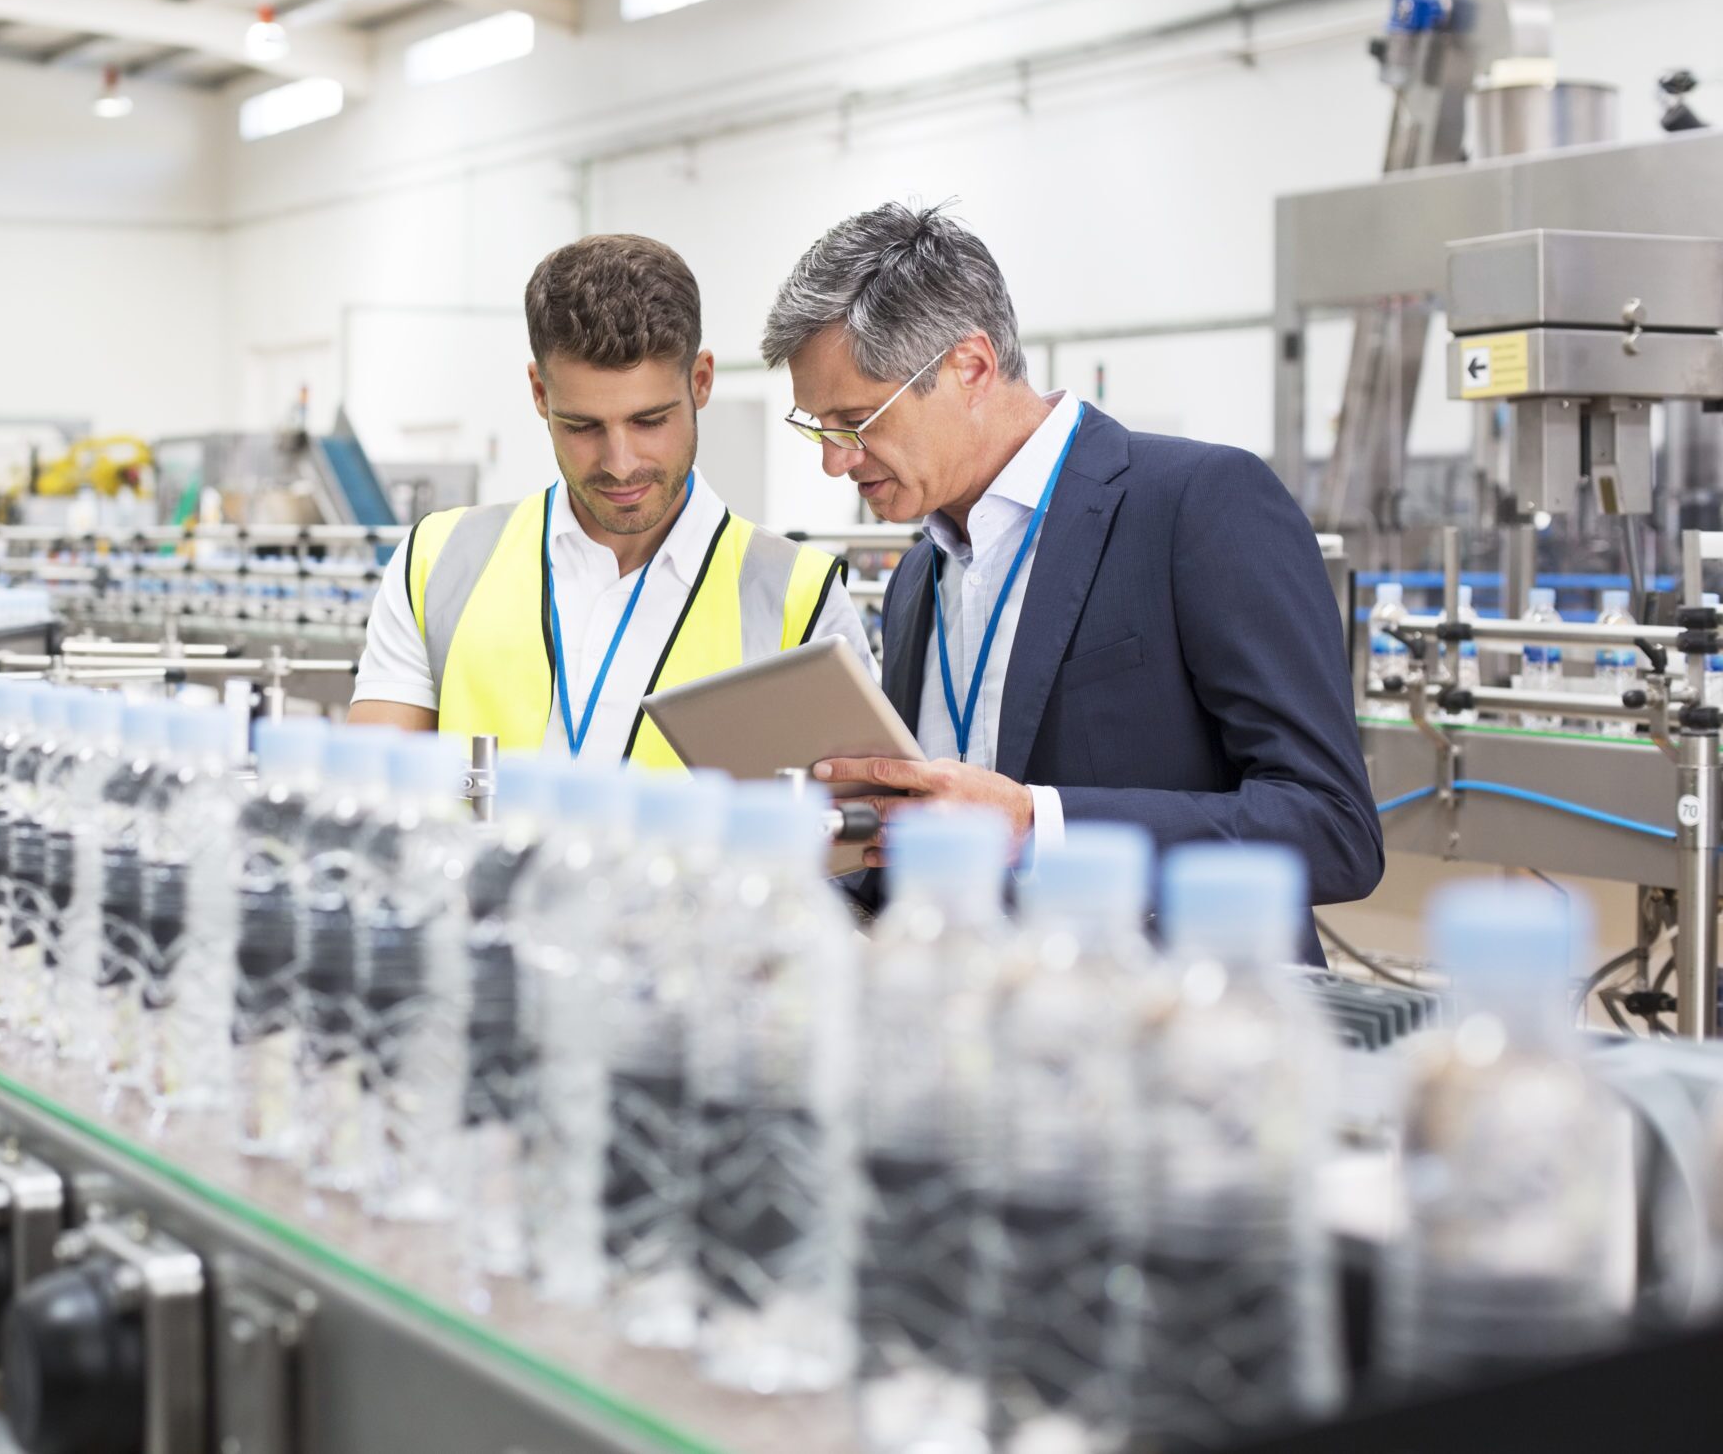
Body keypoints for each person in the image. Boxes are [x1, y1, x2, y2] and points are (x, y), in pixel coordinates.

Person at [765, 203, 1379, 954]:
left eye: (856, 421)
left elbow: (1333, 828)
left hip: (1177, 1031)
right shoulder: (917, 578)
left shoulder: (1196, 504)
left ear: (972, 367)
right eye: (819, 429)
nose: (836, 460)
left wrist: (1036, 823)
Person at [350, 233, 874, 766]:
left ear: (701, 381)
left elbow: (844, 836)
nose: (619, 463)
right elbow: (371, 797)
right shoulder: (438, 563)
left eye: (649, 421)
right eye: (582, 426)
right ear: (539, 393)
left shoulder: (800, 601)